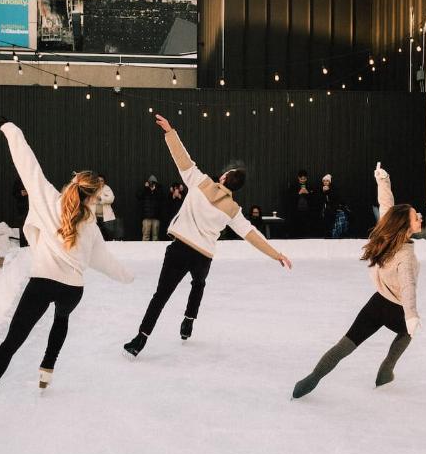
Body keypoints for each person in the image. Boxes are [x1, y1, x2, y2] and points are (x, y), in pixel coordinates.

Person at [0, 120, 134, 424]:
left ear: (73, 185)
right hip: (72, 289)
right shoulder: (91, 225)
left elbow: (27, 163)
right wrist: (126, 276)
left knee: (12, 342)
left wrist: (11, 130)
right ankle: (47, 368)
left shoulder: (48, 198)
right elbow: (103, 260)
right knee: (61, 318)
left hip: (42, 282)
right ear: (92, 196)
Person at [123, 115, 292, 358]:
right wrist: (276, 254)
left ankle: (140, 339)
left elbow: (182, 158)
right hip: (203, 256)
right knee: (199, 284)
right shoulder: (233, 210)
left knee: (161, 295)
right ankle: (189, 321)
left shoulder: (200, 182)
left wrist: (170, 132)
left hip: (180, 249)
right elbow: (251, 235)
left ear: (223, 178)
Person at [292, 162, 421, 399]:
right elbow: (408, 286)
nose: (419, 218)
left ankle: (311, 379)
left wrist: (382, 180)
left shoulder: (386, 235)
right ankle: (386, 370)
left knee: (345, 345)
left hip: (376, 303)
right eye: (415, 217)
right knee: (407, 333)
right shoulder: (406, 255)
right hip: (397, 309)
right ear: (405, 225)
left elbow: (386, 205)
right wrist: (411, 315)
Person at [287, 170, 315, 238]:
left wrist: (307, 193)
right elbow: (290, 198)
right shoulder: (293, 186)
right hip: (296, 211)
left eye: (304, 179)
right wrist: (299, 193)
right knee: (297, 228)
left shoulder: (309, 186)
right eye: (301, 179)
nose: (303, 180)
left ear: (306, 178)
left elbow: (314, 199)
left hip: (307, 211)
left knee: (306, 228)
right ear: (298, 178)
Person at [317, 173, 346, 238]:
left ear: (329, 182)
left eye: (327, 181)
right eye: (324, 181)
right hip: (324, 209)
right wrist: (323, 192)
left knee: (331, 223)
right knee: (324, 223)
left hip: (332, 209)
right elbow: (319, 198)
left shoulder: (333, 188)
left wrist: (328, 191)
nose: (325, 182)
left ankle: (332, 235)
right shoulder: (320, 188)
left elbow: (335, 198)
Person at [96, 174, 122, 240]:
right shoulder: (93, 189)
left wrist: (101, 198)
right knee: (97, 235)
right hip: (95, 217)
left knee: (108, 233)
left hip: (105, 216)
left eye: (101, 181)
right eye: (98, 180)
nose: (100, 182)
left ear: (104, 182)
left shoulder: (107, 188)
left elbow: (111, 199)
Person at [137, 175, 163, 241]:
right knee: (145, 236)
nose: (152, 184)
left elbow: (162, 198)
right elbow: (138, 196)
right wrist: (145, 188)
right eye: (151, 182)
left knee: (155, 237)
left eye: (153, 183)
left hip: (156, 216)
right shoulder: (145, 190)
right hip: (146, 217)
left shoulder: (159, 190)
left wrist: (155, 190)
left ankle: (156, 248)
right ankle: (144, 248)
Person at [12, 177, 29, 247]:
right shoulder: (17, 181)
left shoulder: (29, 178)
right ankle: (23, 242)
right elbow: (14, 193)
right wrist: (21, 193)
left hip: (30, 206)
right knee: (22, 224)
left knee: (29, 224)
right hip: (21, 207)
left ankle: (28, 240)